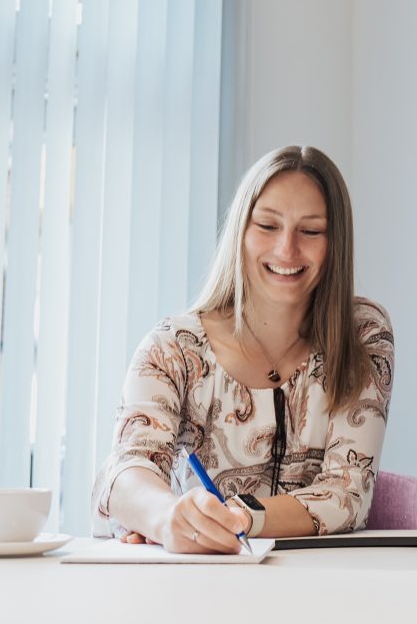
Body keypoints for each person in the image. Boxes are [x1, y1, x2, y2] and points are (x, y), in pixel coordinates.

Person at [92, 146, 394, 552]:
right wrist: (167, 519)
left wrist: (241, 516)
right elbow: (125, 471)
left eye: (310, 231)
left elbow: (347, 493)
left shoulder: (363, 334)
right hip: (202, 583)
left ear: (335, 243)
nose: (287, 249)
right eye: (267, 226)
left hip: (321, 589)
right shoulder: (173, 350)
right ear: (240, 231)